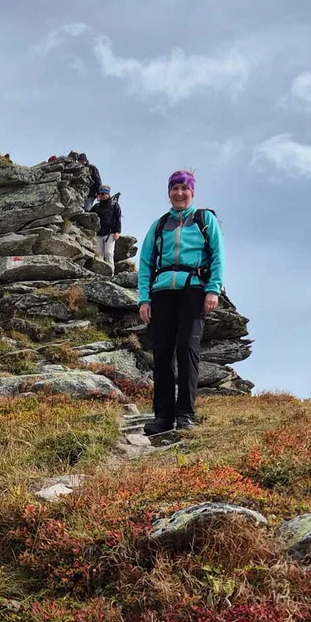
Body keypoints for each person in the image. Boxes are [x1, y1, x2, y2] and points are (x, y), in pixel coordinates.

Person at [136, 170, 223, 435]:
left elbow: (217, 255)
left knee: (187, 349)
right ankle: (162, 416)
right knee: (162, 353)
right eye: (174, 188)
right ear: (169, 192)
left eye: (184, 188)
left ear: (192, 192)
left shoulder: (204, 220)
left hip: (194, 291)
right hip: (161, 293)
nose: (179, 193)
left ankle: (185, 413)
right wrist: (144, 298)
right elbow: (146, 263)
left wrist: (213, 289)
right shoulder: (160, 224)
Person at [94, 186, 123, 270]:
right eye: (99, 194)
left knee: (109, 253)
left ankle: (110, 273)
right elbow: (89, 216)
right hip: (98, 233)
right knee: (99, 255)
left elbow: (118, 219)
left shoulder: (114, 205)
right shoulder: (96, 206)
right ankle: (99, 274)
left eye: (103, 194)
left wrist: (117, 232)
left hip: (110, 233)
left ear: (107, 194)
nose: (101, 196)